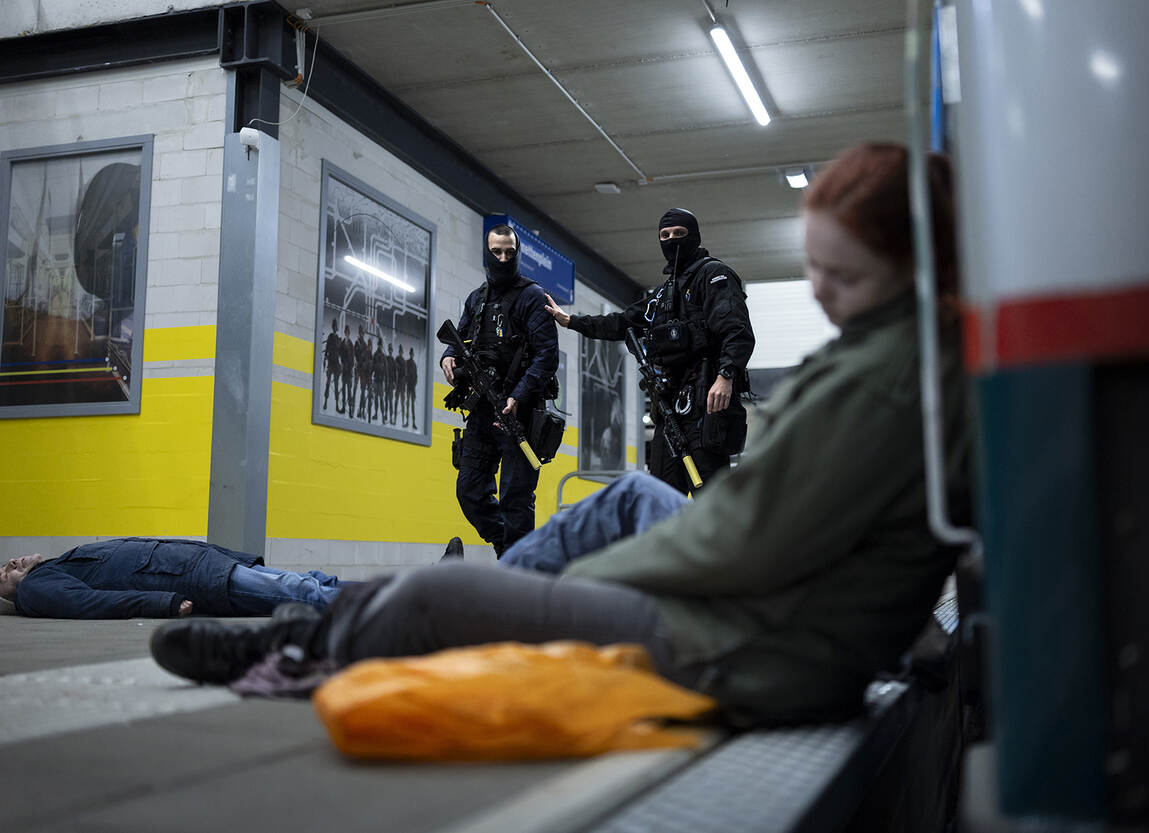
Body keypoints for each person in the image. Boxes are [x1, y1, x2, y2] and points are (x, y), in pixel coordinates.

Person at [150, 143, 969, 726]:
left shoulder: (884, 380)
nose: (821, 291)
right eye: (814, 267)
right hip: (778, 599)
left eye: (844, 274)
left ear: (919, 262)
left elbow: (745, 542)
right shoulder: (898, 345)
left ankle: (305, 637)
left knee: (449, 593)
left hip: (757, 643)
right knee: (628, 497)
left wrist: (591, 588)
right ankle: (442, 606)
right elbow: (625, 331)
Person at [545, 208, 754, 494]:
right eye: (664, 235)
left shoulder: (714, 275)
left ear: (694, 236)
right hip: (670, 409)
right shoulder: (662, 294)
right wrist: (571, 322)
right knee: (662, 498)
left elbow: (738, 331)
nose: (671, 241)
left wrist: (726, 376)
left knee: (711, 498)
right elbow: (621, 322)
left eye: (679, 234)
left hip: (707, 405)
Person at [440, 224, 558, 556]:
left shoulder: (531, 296)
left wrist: (518, 395)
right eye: (496, 252)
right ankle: (510, 551)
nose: (503, 258)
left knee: (516, 500)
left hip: (520, 413)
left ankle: (517, 578)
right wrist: (448, 357)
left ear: (517, 253)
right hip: (481, 411)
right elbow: (459, 338)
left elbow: (546, 355)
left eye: (509, 252)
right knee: (469, 491)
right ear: (487, 252)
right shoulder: (476, 299)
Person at [1, 538, 347, 619]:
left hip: (202, 564)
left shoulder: (56, 564)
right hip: (191, 576)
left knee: (311, 582)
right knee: (303, 592)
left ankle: (394, 595)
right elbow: (88, 603)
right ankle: (395, 608)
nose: (9, 563)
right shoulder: (36, 587)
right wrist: (160, 603)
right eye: (3, 574)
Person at [322, 318, 341, 412]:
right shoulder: (330, 337)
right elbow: (326, 348)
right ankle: (325, 401)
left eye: (335, 327)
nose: (334, 328)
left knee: (337, 385)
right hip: (330, 362)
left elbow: (340, 352)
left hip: (336, 363)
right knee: (328, 383)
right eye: (333, 327)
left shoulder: (338, 338)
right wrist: (325, 359)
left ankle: (337, 404)